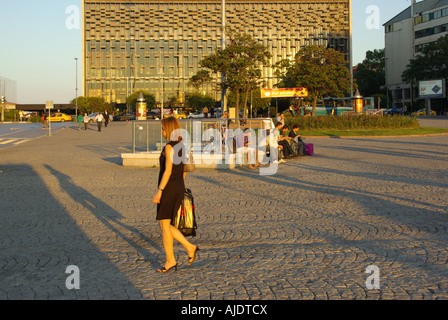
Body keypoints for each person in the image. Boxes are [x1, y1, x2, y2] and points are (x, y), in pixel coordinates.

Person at [152, 117, 199, 273]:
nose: (161, 131)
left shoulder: (169, 147)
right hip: (178, 186)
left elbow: (168, 171)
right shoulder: (181, 146)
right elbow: (185, 169)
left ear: (169, 130)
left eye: (163, 129)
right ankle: (189, 247)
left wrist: (160, 190)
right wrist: (180, 185)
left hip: (169, 188)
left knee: (164, 225)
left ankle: (170, 260)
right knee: (164, 224)